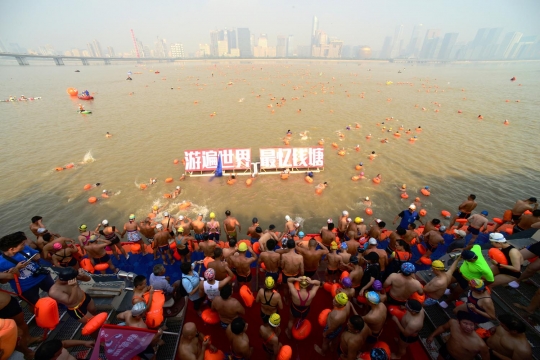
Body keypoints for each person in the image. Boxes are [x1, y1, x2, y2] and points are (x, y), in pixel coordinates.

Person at [0, 231, 55, 310]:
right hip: (26, 287)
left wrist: (35, 257)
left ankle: (58, 305)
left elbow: (36, 255)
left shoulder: (24, 248)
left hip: (41, 276)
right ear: (12, 249)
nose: (24, 245)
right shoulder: (1, 263)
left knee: (54, 292)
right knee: (35, 305)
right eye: (22, 244)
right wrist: (16, 269)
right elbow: (3, 281)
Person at [0, 274, 39, 360]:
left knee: (22, 324)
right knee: (16, 334)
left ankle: (29, 339)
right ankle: (27, 352)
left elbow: (8, 277)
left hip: (8, 303)